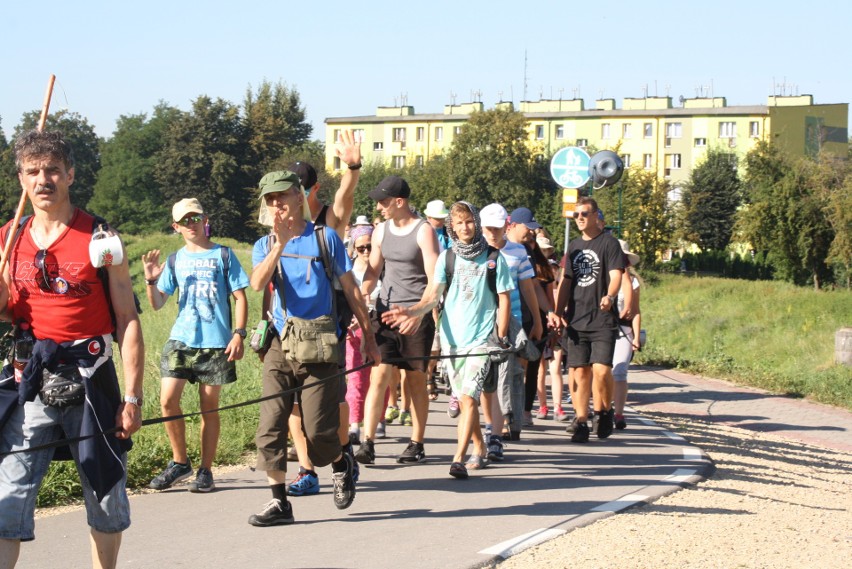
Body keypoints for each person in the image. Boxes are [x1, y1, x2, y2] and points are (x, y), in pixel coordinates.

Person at [0, 130, 144, 569]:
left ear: (70, 175)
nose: (43, 180)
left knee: (104, 495)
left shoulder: (101, 237)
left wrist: (133, 397)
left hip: (90, 376)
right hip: (30, 377)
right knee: (8, 497)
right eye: (33, 172)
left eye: (52, 171)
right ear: (21, 178)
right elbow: (5, 313)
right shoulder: (8, 238)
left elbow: (128, 319)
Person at [248, 170, 379, 526]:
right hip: (280, 341)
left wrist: (368, 338)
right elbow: (258, 283)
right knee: (270, 425)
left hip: (320, 342)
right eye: (269, 200)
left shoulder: (325, 239)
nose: (276, 205)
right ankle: (279, 503)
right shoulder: (263, 244)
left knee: (318, 431)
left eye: (282, 197)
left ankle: (340, 463)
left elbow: (351, 290)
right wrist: (279, 243)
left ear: (298, 196)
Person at [384, 202, 512, 479]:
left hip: (481, 340)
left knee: (468, 397)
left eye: (468, 222)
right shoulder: (447, 258)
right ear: (451, 227)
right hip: (453, 341)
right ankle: (479, 447)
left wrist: (501, 336)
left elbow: (504, 298)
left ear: (476, 223)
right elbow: (432, 297)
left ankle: (458, 459)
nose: (464, 228)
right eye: (459, 223)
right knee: (468, 401)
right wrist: (412, 311)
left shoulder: (493, 258)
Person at [141, 198, 249, 493]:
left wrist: (238, 334)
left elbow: (240, 297)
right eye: (184, 221)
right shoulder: (176, 260)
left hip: (216, 342)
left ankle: (205, 470)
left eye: (195, 218)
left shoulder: (223, 255)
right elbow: (159, 303)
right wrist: (151, 281)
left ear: (205, 220)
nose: (191, 224)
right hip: (182, 339)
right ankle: (180, 462)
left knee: (208, 407)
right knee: (167, 401)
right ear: (176, 227)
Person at [276, 134, 363, 497]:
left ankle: (343, 454)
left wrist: (352, 169)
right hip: (286, 327)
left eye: (299, 190)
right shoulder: (279, 219)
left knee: (332, 403)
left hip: (326, 329)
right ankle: (307, 469)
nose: (290, 199)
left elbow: (344, 201)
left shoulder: (328, 223)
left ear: (312, 190)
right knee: (291, 401)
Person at [356, 176, 440, 465]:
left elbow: (435, 280)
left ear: (399, 202)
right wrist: (361, 293)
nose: (379, 206)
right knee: (379, 373)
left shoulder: (423, 231)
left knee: (415, 380)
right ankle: (367, 442)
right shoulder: (380, 231)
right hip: (386, 311)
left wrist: (417, 313)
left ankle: (416, 442)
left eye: (383, 201)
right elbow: (373, 270)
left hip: (416, 317)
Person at [554, 197, 625, 443]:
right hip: (575, 320)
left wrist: (610, 296)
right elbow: (566, 282)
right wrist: (557, 311)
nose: (580, 218)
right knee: (579, 372)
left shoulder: (609, 243)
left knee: (602, 370)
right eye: (576, 215)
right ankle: (582, 420)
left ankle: (604, 410)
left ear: (596, 215)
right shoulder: (573, 246)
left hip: (602, 319)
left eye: (584, 213)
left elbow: (616, 274)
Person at [478, 203, 540, 454]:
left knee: (506, 374)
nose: (493, 232)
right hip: (480, 322)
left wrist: (537, 319)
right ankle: (490, 422)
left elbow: (528, 287)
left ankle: (498, 430)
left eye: (498, 227)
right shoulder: (475, 250)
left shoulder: (518, 252)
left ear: (507, 225)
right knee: (484, 377)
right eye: (489, 228)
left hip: (511, 320)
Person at [613, 240, 642, 430]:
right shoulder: (602, 277)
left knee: (620, 371)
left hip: (624, 329)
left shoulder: (633, 282)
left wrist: (637, 338)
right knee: (602, 371)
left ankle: (619, 413)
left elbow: (636, 310)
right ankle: (602, 408)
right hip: (603, 328)